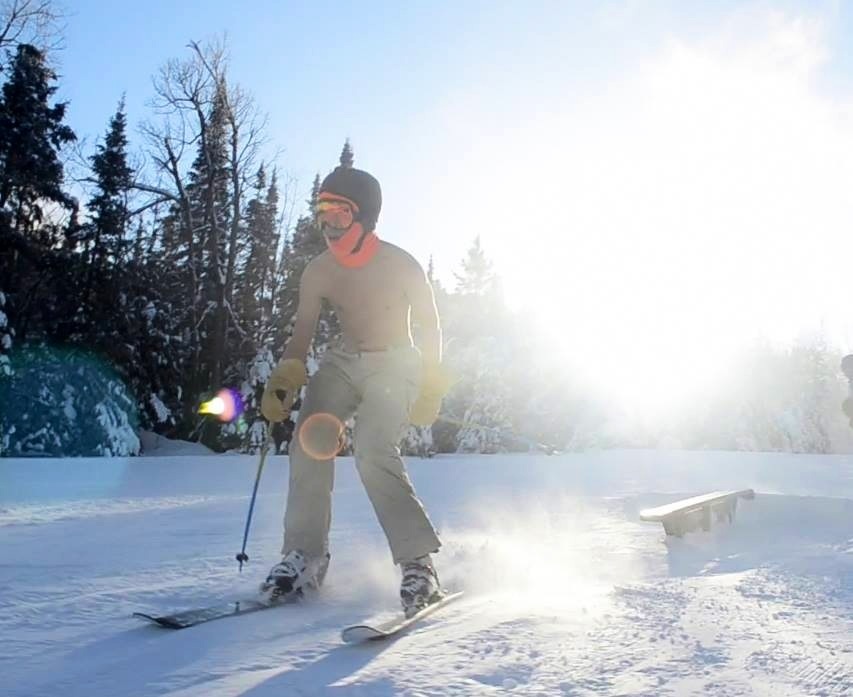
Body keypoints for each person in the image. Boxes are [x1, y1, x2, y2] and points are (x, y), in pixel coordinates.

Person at [259, 166, 453, 616]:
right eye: (322, 213)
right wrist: (287, 375)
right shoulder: (319, 270)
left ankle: (418, 564)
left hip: (396, 362)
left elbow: (430, 325)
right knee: (308, 442)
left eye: (339, 214)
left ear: (364, 217)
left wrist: (431, 380)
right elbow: (303, 330)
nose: (328, 225)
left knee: (373, 449)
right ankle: (305, 556)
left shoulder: (400, 263)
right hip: (343, 362)